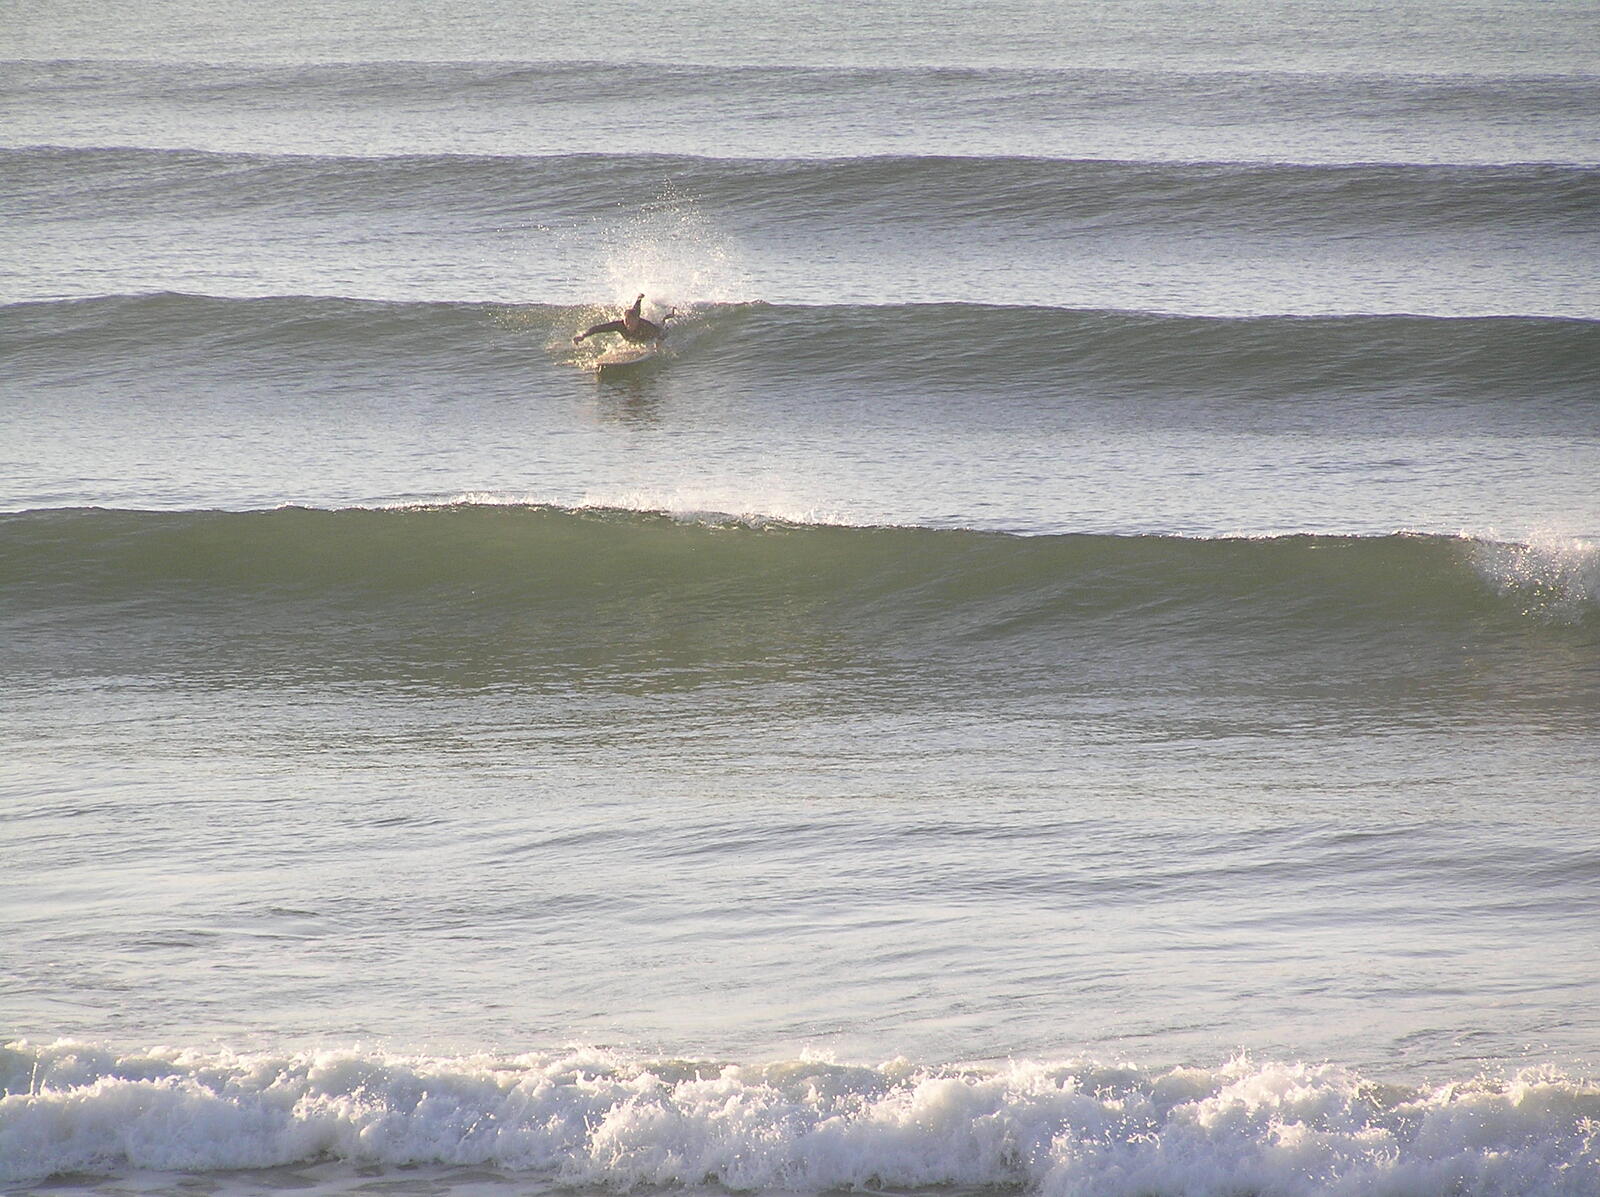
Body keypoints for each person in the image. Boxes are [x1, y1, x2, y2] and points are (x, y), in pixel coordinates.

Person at [573, 294, 674, 345]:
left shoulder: (645, 325)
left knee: (662, 324)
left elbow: (661, 334)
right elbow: (597, 329)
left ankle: (667, 315)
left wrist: (658, 343)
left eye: (631, 322)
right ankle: (638, 299)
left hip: (649, 335)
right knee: (634, 311)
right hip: (635, 320)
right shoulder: (620, 325)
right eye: (626, 322)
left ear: (637, 321)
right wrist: (583, 336)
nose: (628, 325)